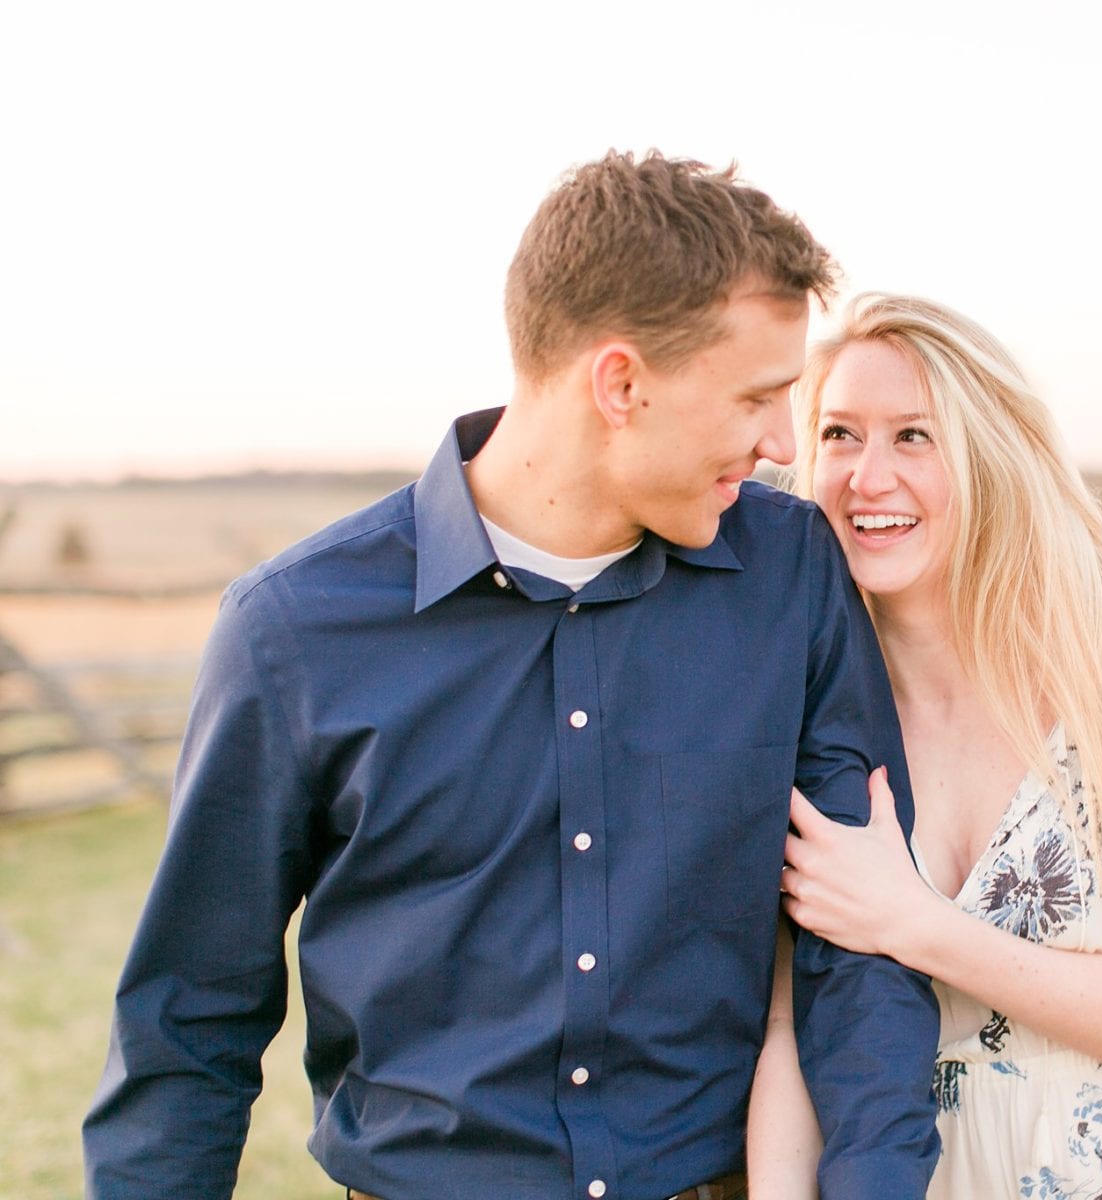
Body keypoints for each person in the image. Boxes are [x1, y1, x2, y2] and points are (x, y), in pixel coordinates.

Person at [82, 155, 941, 1200]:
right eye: (758, 397)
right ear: (620, 383)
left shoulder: (792, 574)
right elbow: (187, 1022)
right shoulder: (294, 631)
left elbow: (860, 950)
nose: (778, 443)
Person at [746, 295, 1102, 1198]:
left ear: (990, 457)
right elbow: (790, 1028)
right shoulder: (801, 715)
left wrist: (917, 925)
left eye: (913, 437)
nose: (867, 476)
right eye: (840, 435)